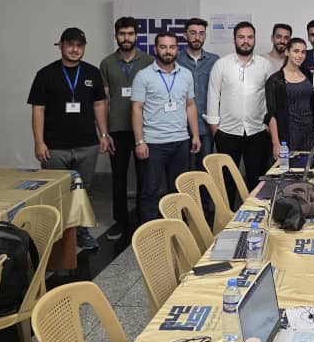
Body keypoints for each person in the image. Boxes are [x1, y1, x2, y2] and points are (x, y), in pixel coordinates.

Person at [27, 27, 111, 251]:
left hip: (87, 145)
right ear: (61, 45)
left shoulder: (92, 73)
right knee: (55, 192)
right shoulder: (46, 74)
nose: (75, 49)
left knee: (84, 192)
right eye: (70, 45)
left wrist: (104, 134)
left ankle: (81, 231)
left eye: (79, 46)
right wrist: (39, 142)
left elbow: (99, 105)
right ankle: (56, 235)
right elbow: (38, 110)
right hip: (55, 147)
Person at [131, 31, 201, 222]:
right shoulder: (143, 76)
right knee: (151, 190)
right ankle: (150, 231)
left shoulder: (186, 74)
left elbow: (190, 105)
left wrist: (195, 135)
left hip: (181, 141)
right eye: (163, 47)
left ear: (177, 49)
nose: (168, 51)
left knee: (178, 190)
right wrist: (139, 142)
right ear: (156, 49)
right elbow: (137, 109)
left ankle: (177, 227)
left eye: (171, 47)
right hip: (153, 143)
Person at [205, 21, 273, 200]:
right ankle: (227, 215)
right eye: (241, 37)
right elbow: (213, 95)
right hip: (227, 132)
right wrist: (215, 128)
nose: (246, 41)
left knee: (256, 180)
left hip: (257, 132)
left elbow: (270, 97)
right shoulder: (221, 64)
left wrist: (268, 124)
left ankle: (256, 214)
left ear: (254, 39)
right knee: (227, 181)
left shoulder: (265, 65)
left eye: (250, 37)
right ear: (234, 39)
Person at [99, 16, 153, 239]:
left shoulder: (148, 60)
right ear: (116, 36)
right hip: (117, 129)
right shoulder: (107, 63)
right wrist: (104, 133)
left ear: (136, 36)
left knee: (145, 177)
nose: (126, 38)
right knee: (118, 178)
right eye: (122, 34)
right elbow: (102, 101)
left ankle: (143, 219)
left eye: (130, 34)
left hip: (144, 129)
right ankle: (120, 221)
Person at [266, 38, 314, 158]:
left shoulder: (308, 75)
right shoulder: (275, 80)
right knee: (289, 168)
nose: (300, 55)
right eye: (296, 51)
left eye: (303, 52)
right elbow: (271, 115)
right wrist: (276, 143)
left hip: (310, 132)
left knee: (309, 166)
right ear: (287, 52)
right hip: (288, 134)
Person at [181, 18, 219, 170]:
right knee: (183, 172)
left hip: (206, 125)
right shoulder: (176, 60)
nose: (197, 37)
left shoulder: (215, 61)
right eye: (193, 33)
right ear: (185, 35)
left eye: (201, 33)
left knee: (205, 170)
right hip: (181, 127)